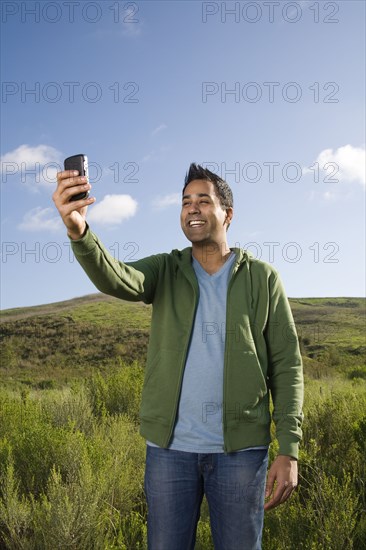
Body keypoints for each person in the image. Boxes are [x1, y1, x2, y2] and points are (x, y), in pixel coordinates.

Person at [53, 163, 304, 550]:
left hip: (241, 453)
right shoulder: (165, 268)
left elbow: (287, 365)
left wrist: (289, 449)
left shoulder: (262, 278)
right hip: (170, 452)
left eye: (204, 201)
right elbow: (118, 278)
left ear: (228, 214)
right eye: (186, 202)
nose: (193, 209)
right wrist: (79, 230)